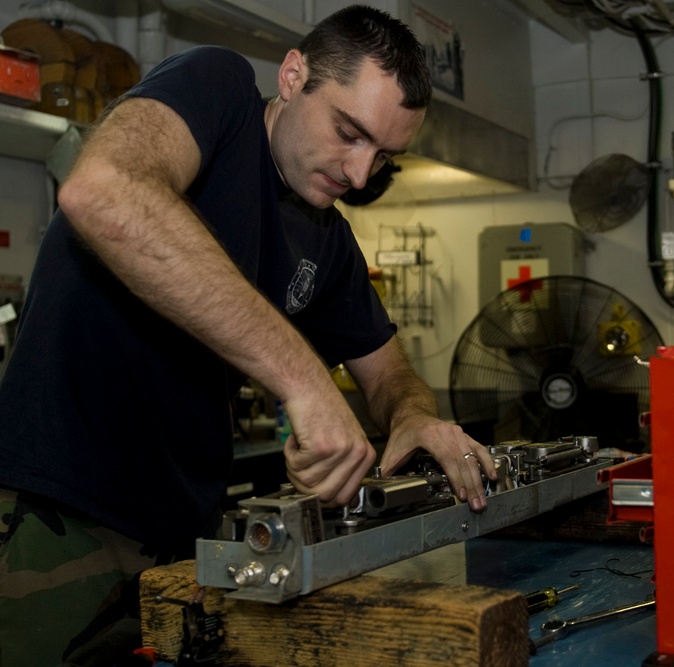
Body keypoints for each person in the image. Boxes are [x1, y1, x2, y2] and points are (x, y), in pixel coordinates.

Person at [0, 5, 495, 665]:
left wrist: (413, 416)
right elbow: (104, 190)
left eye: (382, 157)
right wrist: (303, 378)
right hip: (60, 508)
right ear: (293, 76)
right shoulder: (220, 91)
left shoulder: (327, 240)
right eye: (348, 131)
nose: (357, 174)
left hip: (187, 537)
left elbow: (390, 373)